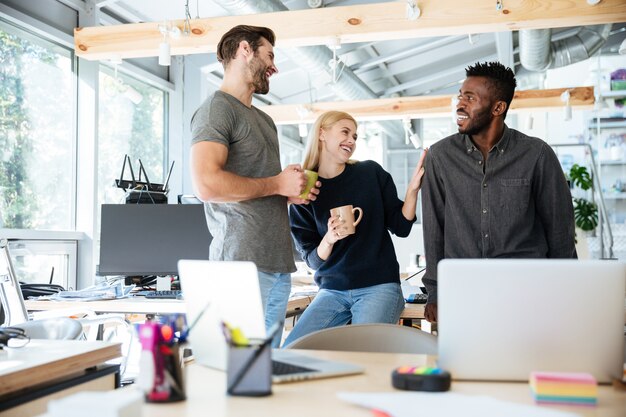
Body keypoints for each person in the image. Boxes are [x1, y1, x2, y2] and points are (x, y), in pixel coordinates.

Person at [190, 25, 319, 347]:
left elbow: (257, 189)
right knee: (238, 368)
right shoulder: (215, 110)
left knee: (264, 370)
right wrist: (276, 183)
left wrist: (286, 193)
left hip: (277, 264)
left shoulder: (264, 120)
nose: (274, 67)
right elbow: (206, 185)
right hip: (239, 264)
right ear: (245, 50)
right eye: (270, 55)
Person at [420, 61, 577, 323]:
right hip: (463, 290)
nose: (460, 104)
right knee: (465, 364)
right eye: (460, 96)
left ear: (498, 107)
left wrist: (565, 290)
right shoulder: (440, 156)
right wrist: (435, 293)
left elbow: (560, 228)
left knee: (526, 361)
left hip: (527, 290)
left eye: (470, 98)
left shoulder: (536, 154)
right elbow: (434, 227)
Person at [284, 110, 426, 346]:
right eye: (345, 132)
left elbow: (401, 227)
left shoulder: (370, 173)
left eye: (355, 136)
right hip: (332, 291)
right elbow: (311, 260)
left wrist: (412, 191)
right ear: (322, 134)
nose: (351, 140)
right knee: (292, 349)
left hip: (378, 287)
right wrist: (328, 239)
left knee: (364, 351)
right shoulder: (305, 189)